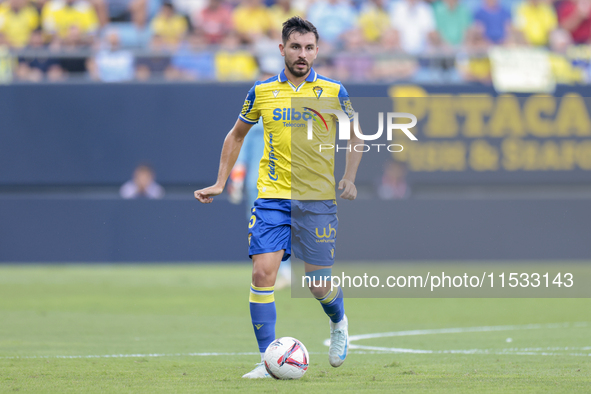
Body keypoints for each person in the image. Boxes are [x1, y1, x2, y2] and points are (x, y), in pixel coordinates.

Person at [194, 16, 363, 378]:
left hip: (316, 200)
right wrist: (221, 181)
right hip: (272, 197)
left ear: (317, 50)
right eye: (296, 47)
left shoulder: (335, 92)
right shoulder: (261, 91)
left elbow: (356, 136)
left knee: (317, 283)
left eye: (309, 48)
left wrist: (349, 177)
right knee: (263, 272)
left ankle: (339, 322)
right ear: (282, 48)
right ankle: (265, 360)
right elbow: (236, 135)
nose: (302, 54)